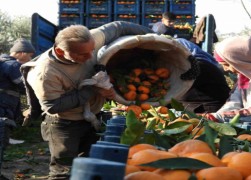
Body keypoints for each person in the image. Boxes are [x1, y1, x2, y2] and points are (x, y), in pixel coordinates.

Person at [22, 21, 153, 179]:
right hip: (65, 125)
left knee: (88, 167)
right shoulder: (46, 73)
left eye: (92, 50)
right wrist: (93, 89)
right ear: (60, 51)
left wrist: (153, 35)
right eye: (83, 55)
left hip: (91, 117)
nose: (90, 56)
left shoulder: (89, 40)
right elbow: (53, 106)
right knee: (64, 170)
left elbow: (120, 27)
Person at [208, 36, 251, 125]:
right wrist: (216, 115)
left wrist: (220, 116)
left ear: (241, 60)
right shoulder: (244, 77)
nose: (225, 69)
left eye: (227, 64)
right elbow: (234, 101)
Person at [174, 38, 230, 113]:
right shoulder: (200, 63)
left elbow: (173, 83)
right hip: (198, 109)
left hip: (209, 114)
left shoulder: (197, 65)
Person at [0, 38, 35, 146]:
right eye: (30, 55)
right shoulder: (14, 65)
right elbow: (24, 87)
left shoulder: (3, 62)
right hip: (5, 103)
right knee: (4, 126)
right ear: (22, 53)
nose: (30, 58)